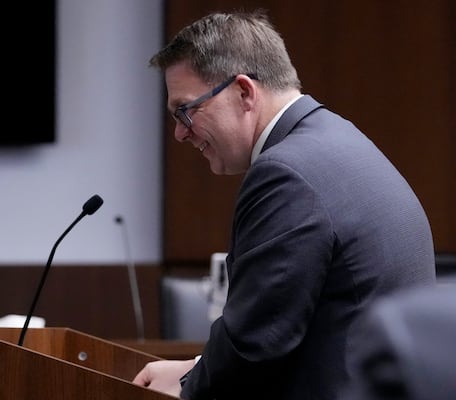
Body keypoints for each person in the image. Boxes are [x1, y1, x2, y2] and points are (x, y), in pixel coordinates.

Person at [132, 9, 436, 400]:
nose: (179, 133)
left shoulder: (286, 173)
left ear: (244, 92)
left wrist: (191, 384)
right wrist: (195, 367)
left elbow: (256, 346)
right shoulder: (334, 139)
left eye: (186, 111)